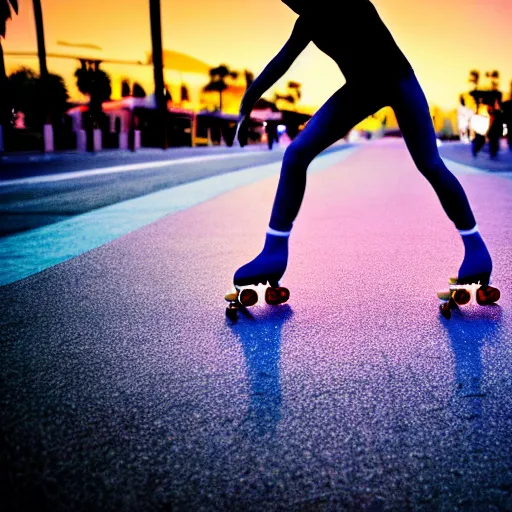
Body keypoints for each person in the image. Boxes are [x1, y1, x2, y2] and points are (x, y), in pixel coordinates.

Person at [232, 0, 493, 290]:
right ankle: (274, 251)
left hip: (398, 81)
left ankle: (476, 248)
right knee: (295, 154)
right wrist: (247, 101)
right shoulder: (306, 23)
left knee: (430, 164)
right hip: (360, 91)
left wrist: (249, 99)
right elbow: (280, 62)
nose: (290, 4)